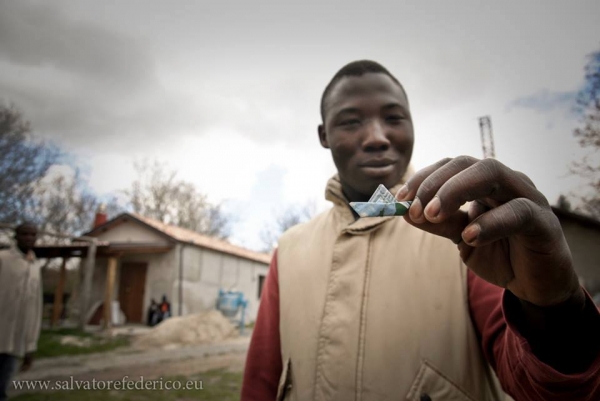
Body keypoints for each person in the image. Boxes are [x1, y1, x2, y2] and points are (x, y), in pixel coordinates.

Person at [241, 61, 600, 401]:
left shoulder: (470, 235)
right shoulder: (289, 249)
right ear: (324, 135)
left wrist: (556, 309)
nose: (378, 137)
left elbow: (544, 389)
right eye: (350, 122)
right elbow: (261, 381)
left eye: (394, 118)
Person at [0, 223, 42, 401]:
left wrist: (30, 347)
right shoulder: (3, 259)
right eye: (24, 234)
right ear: (15, 237)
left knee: (2, 384)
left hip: (15, 338)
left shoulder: (35, 266)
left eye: (32, 235)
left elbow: (36, 307)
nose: (28, 238)